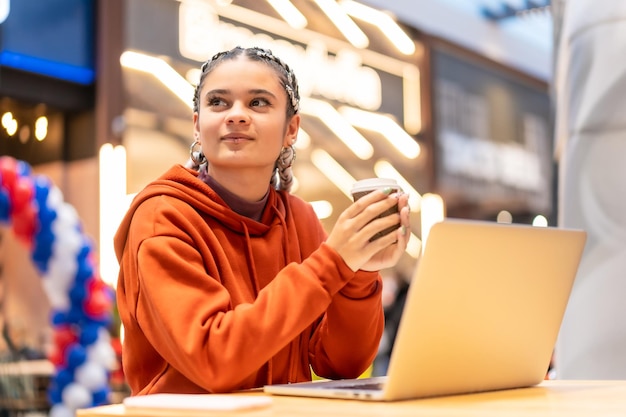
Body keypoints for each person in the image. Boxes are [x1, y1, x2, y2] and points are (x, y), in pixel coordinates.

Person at [114, 46, 411, 395]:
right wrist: (333, 262)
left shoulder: (300, 218)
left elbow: (340, 364)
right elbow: (214, 359)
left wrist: (360, 273)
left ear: (292, 129)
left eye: (258, 103)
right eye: (218, 103)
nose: (236, 115)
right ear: (197, 125)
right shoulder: (162, 218)